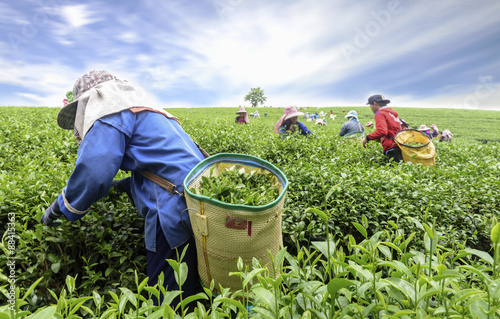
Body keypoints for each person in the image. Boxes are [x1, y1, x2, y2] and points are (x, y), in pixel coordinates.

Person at [39, 70, 205, 307]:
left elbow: (93, 171)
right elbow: (162, 162)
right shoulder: (146, 110)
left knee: (168, 295)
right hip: (196, 198)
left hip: (170, 207)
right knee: (188, 281)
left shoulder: (109, 111)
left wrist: (61, 206)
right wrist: (124, 186)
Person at [362, 94, 403, 162]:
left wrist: (368, 137)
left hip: (391, 146)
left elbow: (382, 131)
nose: (371, 107)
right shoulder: (392, 113)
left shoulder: (380, 113)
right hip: (399, 144)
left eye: (370, 105)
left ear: (375, 104)